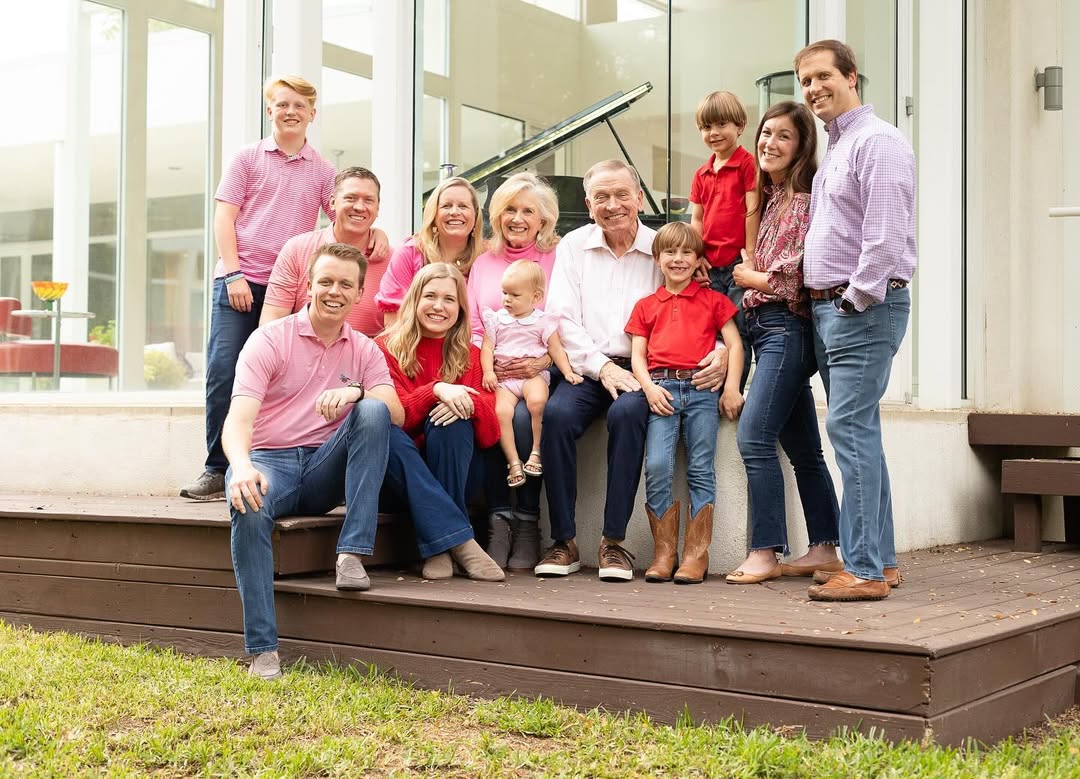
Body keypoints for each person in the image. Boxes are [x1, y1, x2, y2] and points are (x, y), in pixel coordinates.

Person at [536, 159, 729, 582]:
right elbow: (561, 318)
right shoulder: (573, 246)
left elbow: (696, 307)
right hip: (588, 366)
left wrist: (720, 350)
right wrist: (603, 368)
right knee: (557, 416)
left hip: (647, 371)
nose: (613, 205)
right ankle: (564, 541)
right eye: (601, 197)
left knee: (627, 415)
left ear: (640, 198)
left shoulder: (667, 247)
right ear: (588, 204)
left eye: (622, 194)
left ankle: (613, 542)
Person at [225, 242, 403, 681]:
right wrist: (242, 466)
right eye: (325, 281)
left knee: (373, 410)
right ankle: (263, 650)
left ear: (359, 293)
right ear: (309, 285)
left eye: (345, 284)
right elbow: (238, 420)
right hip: (271, 462)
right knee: (247, 504)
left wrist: (356, 391)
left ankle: (352, 554)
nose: (334, 291)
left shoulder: (363, 349)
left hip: (325, 467)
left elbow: (395, 413)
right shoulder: (270, 339)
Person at [795, 40, 916, 602]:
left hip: (859, 308)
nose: (813, 88)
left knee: (848, 429)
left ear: (851, 77)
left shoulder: (877, 142)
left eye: (823, 76)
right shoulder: (838, 146)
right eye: (805, 81)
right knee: (859, 431)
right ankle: (880, 562)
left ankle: (864, 571)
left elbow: (886, 237)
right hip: (834, 308)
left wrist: (852, 301)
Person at [181, 75, 337, 502]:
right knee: (224, 372)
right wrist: (234, 275)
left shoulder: (324, 172)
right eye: (282, 104)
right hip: (239, 280)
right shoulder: (247, 158)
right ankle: (217, 469)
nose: (290, 112)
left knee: (281, 377)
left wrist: (375, 233)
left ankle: (265, 463)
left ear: (312, 114)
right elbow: (224, 217)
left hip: (289, 287)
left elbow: (341, 219)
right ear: (270, 111)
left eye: (299, 106)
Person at [724, 102, 842, 585]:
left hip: (786, 328)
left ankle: (765, 550)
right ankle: (825, 549)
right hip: (763, 328)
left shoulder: (806, 201)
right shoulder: (770, 199)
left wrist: (751, 277)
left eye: (783, 136)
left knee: (754, 438)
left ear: (802, 146)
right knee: (804, 450)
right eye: (766, 133)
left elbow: (800, 275)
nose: (769, 143)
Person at [626, 222, 744, 585]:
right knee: (657, 465)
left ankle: (696, 554)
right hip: (662, 390)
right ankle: (664, 553)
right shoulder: (646, 305)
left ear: (698, 260)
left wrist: (731, 388)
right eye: (670, 252)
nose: (678, 259)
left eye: (687, 252)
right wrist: (648, 388)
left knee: (700, 467)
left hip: (701, 391)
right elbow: (637, 356)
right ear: (657, 259)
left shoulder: (714, 301)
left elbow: (735, 345)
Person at [376, 263, 505, 582]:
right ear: (414, 300)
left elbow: (491, 434)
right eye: (430, 296)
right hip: (398, 478)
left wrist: (467, 405)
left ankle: (438, 546)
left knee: (453, 420)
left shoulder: (471, 355)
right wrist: (436, 390)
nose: (438, 306)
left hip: (456, 473)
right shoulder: (383, 349)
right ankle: (458, 542)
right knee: (384, 431)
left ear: (460, 309)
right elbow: (397, 417)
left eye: (449, 299)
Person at [466, 172, 561, 571]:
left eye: (527, 211)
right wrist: (488, 365)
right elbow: (473, 326)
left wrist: (544, 361)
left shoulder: (558, 258)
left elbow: (566, 322)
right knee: (487, 415)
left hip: (542, 366)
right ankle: (499, 520)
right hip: (492, 369)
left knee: (524, 419)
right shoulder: (483, 262)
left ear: (543, 219)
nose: (517, 219)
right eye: (509, 210)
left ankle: (527, 521)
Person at [480, 260, 582, 486]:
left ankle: (536, 451)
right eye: (504, 293)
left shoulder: (543, 321)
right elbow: (487, 348)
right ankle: (513, 461)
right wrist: (488, 372)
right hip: (505, 380)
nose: (507, 299)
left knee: (538, 402)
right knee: (501, 412)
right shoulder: (496, 320)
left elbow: (555, 349)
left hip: (532, 377)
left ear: (536, 297)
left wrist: (567, 372)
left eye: (514, 295)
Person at [261, 166, 392, 337]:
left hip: (369, 352)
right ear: (332, 202)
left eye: (368, 200)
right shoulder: (297, 249)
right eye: (350, 198)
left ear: (378, 207)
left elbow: (400, 331)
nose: (359, 207)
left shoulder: (393, 259)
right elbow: (271, 321)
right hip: (303, 350)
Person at [689, 90, 759, 389]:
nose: (713, 133)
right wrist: (696, 255)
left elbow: (752, 210)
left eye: (721, 125)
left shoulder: (747, 164)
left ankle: (735, 392)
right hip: (710, 265)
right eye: (706, 127)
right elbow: (697, 219)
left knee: (739, 330)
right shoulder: (701, 173)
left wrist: (750, 255)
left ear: (740, 126)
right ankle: (713, 393)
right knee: (711, 331)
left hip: (736, 265)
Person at [375, 177, 484, 327]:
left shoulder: (486, 257)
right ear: (434, 214)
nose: (454, 212)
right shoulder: (411, 252)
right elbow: (394, 322)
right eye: (446, 206)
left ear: (476, 215)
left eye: (463, 206)